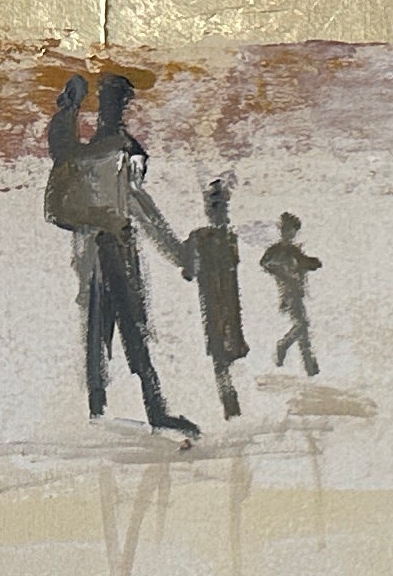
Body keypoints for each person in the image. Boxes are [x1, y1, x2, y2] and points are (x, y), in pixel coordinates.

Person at [46, 73, 196, 438]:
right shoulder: (116, 151)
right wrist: (178, 253)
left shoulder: (89, 151)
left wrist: (68, 106)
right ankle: (148, 409)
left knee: (105, 322)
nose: (118, 108)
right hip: (111, 247)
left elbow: (136, 203)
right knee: (125, 323)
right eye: (117, 100)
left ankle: (103, 406)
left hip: (100, 246)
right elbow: (141, 206)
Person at [182, 176, 252, 420]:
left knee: (223, 354)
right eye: (218, 207)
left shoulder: (215, 238)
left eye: (222, 207)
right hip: (218, 302)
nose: (222, 213)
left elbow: (188, 272)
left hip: (224, 302)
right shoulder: (207, 238)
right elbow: (190, 271)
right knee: (222, 354)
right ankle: (230, 404)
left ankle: (231, 403)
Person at [259, 210, 322, 377]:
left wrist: (313, 263)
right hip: (289, 293)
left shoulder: (293, 250)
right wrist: (282, 272)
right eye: (288, 230)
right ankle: (285, 346)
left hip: (295, 292)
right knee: (302, 325)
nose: (291, 233)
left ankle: (310, 366)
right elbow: (265, 263)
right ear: (283, 230)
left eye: (293, 230)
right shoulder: (278, 250)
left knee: (302, 327)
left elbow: (305, 263)